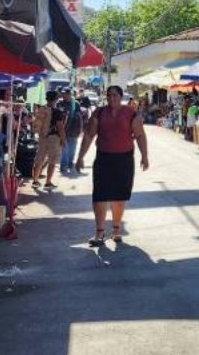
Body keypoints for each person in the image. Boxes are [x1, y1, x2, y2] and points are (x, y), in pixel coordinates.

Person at [76, 85, 149, 246]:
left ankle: (116, 230)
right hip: (103, 159)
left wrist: (145, 156)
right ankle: (99, 233)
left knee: (119, 196)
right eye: (109, 95)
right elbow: (88, 136)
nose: (111, 98)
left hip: (124, 159)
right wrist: (80, 157)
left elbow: (140, 135)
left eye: (115, 95)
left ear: (121, 97)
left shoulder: (131, 114)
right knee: (100, 196)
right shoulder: (99, 113)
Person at [31, 91, 66, 190]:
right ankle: (48, 182)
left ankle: (35, 180)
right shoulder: (57, 112)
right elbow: (60, 127)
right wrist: (63, 139)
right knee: (52, 160)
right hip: (54, 138)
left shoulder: (41, 109)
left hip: (42, 137)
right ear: (55, 99)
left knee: (39, 159)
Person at [59, 88, 82, 175]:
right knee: (64, 149)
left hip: (74, 130)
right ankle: (63, 165)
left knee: (72, 149)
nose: (64, 95)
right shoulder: (60, 103)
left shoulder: (75, 104)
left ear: (70, 94)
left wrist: (80, 129)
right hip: (63, 130)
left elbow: (80, 117)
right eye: (63, 94)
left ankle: (70, 163)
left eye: (66, 94)